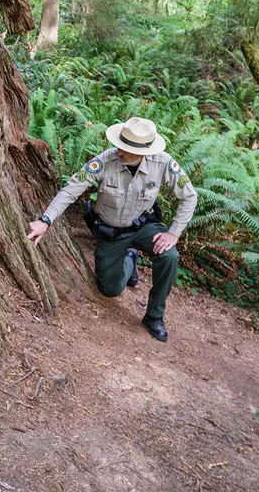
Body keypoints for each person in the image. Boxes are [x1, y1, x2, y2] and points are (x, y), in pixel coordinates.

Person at [27, 117, 197, 342]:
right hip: (111, 232)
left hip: (144, 226)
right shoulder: (104, 161)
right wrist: (45, 220)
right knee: (110, 288)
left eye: (127, 149)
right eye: (120, 145)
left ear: (144, 152)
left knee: (169, 256)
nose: (119, 151)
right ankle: (129, 260)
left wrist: (173, 233)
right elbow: (71, 190)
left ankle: (154, 316)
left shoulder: (163, 163)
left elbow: (189, 197)